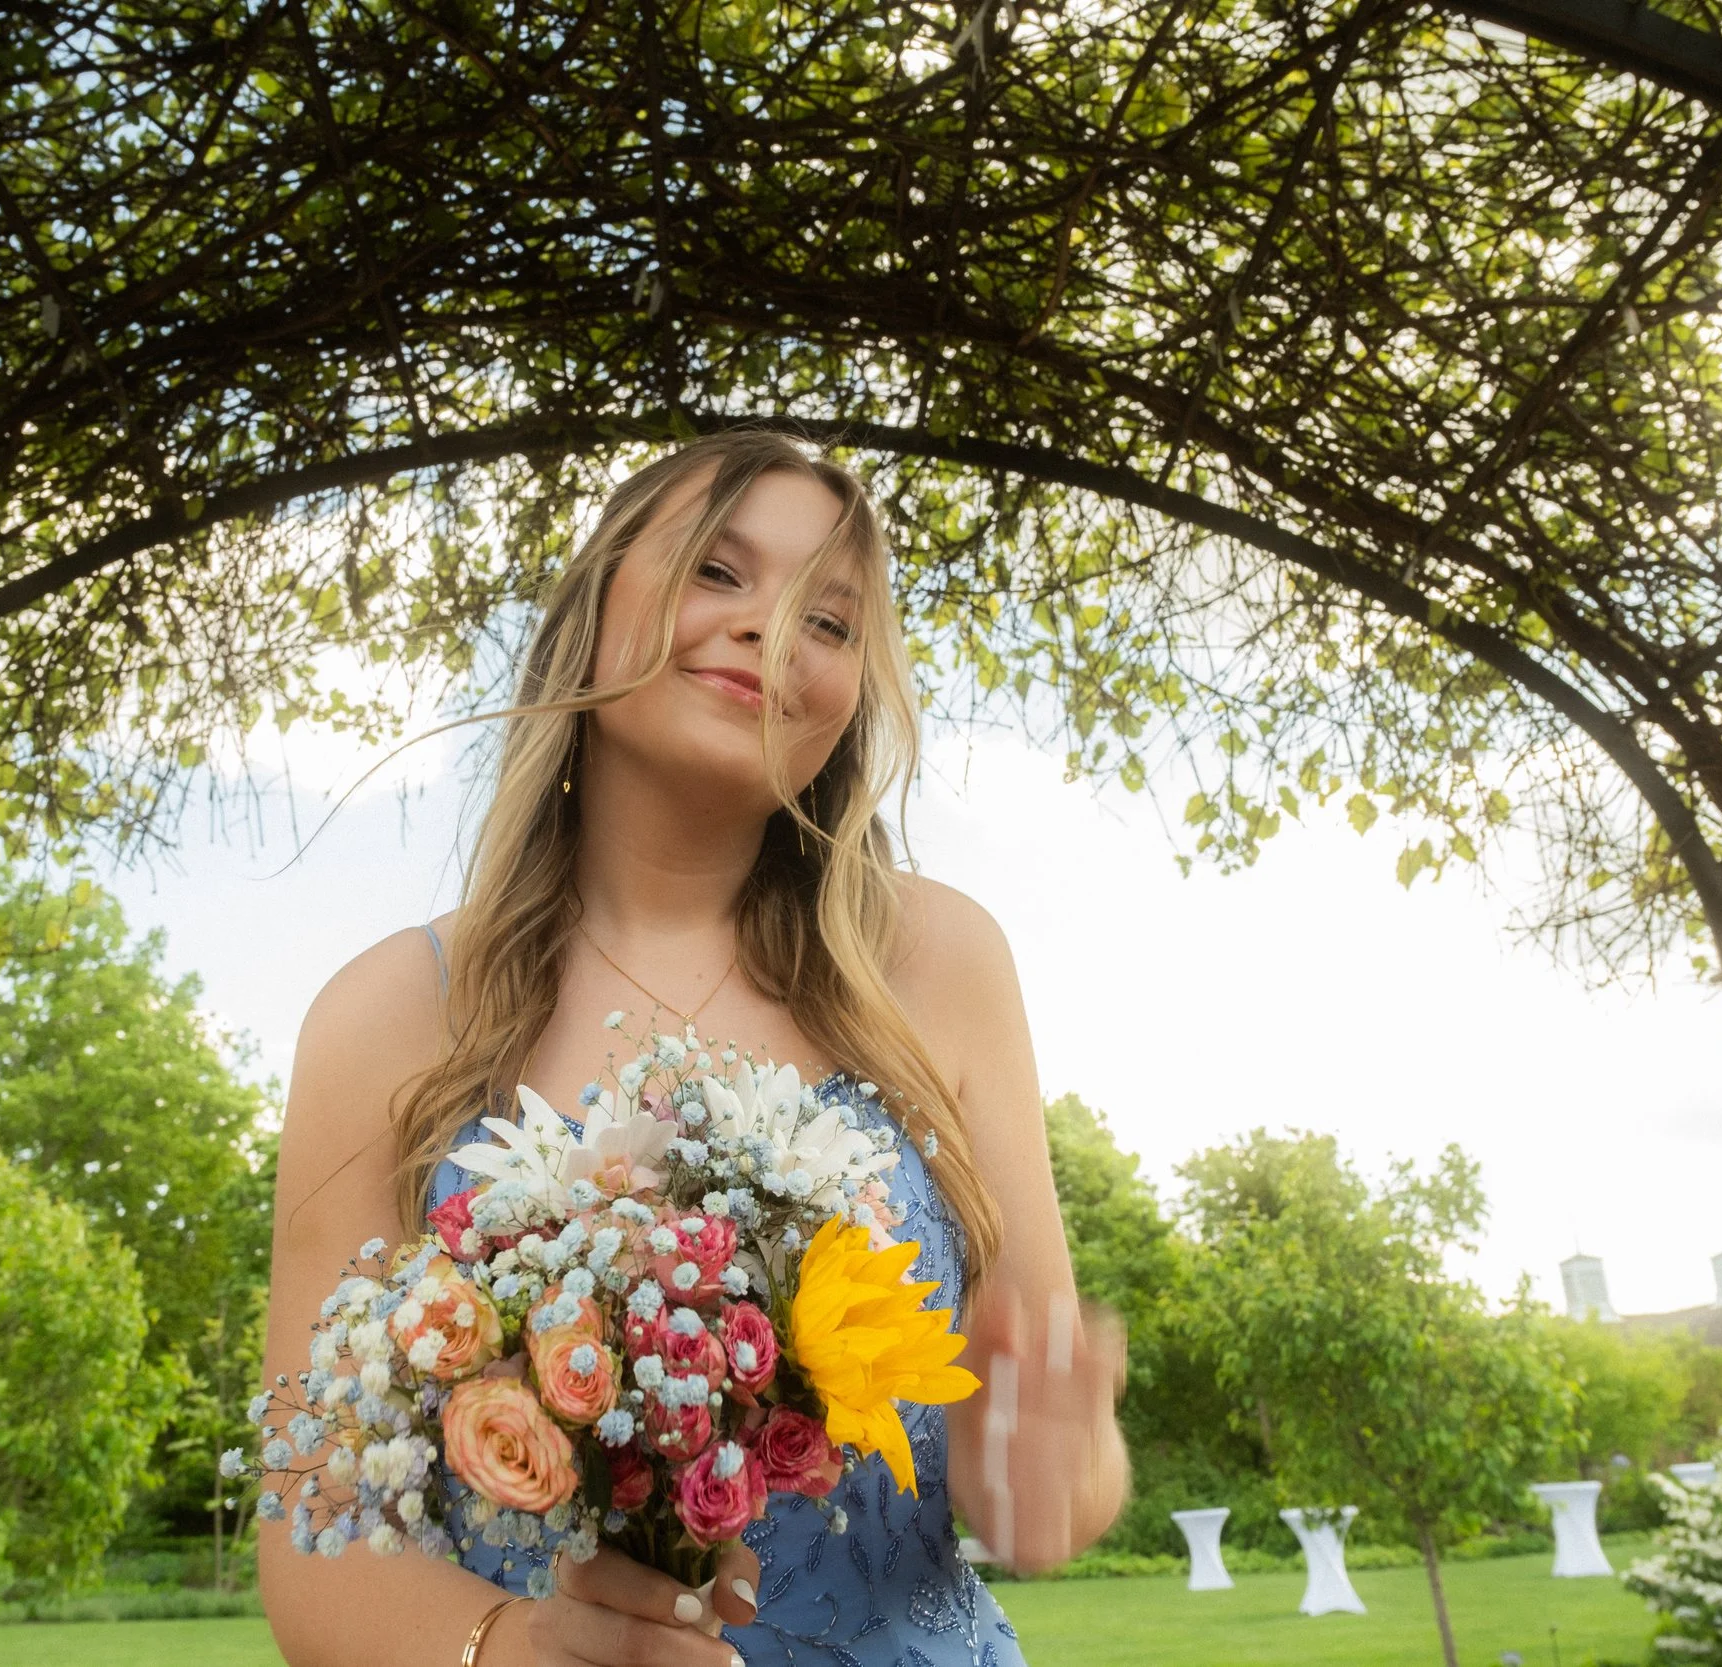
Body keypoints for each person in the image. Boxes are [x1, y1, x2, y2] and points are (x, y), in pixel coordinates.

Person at [260, 429, 1128, 1667]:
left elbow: (1047, 1453)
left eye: (829, 622)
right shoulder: (386, 1015)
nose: (772, 631)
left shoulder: (939, 963)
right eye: (719, 573)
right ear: (592, 609)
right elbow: (315, 1532)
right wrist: (500, 1646)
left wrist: (1052, 1466)